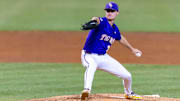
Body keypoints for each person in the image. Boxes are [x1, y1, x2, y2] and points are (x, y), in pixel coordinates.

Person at [80, 2, 142, 100]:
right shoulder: (102, 21)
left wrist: (132, 49)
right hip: (89, 55)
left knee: (127, 75)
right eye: (108, 10)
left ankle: (129, 93)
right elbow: (96, 19)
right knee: (91, 66)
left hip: (103, 57)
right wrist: (93, 22)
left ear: (117, 12)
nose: (109, 12)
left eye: (112, 11)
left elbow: (120, 38)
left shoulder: (115, 29)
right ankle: (86, 90)